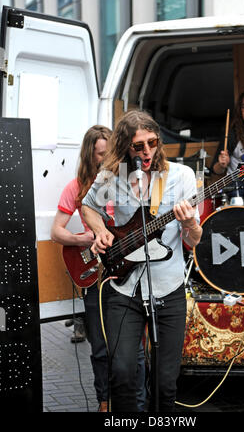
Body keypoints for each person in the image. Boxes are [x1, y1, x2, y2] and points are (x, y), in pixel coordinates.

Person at [81, 110, 202, 412]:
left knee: (165, 382)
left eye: (152, 142)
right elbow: (88, 207)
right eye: (138, 146)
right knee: (122, 372)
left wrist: (189, 225)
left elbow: (193, 240)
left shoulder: (181, 176)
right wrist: (99, 231)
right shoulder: (113, 178)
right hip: (124, 288)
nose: (147, 151)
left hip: (168, 287)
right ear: (125, 147)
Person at [51, 125, 113, 412]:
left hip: (128, 270)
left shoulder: (126, 181)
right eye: (100, 154)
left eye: (109, 153)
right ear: (90, 155)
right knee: (99, 344)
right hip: (97, 273)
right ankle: (104, 401)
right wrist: (82, 238)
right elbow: (56, 232)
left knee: (132, 345)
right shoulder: (76, 186)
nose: (105, 159)